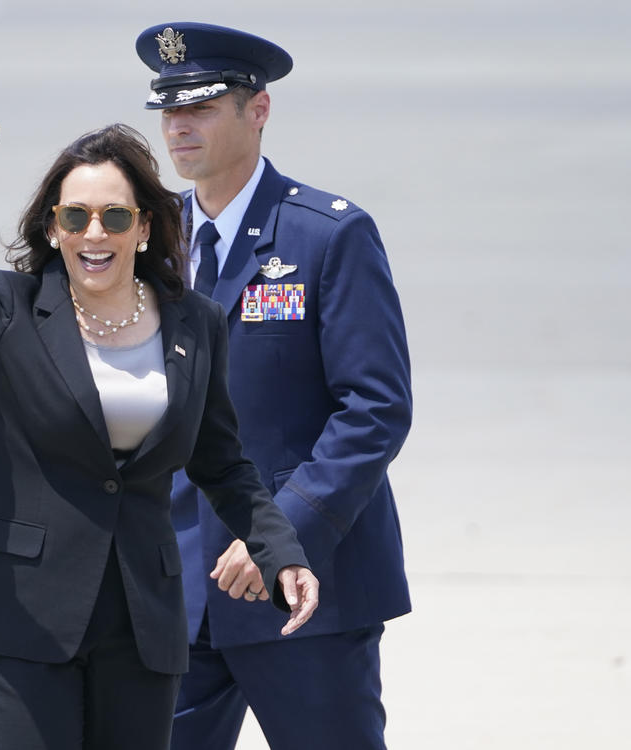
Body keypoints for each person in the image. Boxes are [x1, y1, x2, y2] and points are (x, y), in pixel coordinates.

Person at [0, 111, 319, 750]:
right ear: (53, 229)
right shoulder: (7, 308)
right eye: (75, 217)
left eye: (114, 216)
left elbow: (222, 464)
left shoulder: (195, 323)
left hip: (142, 617)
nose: (94, 233)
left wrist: (282, 551)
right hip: (18, 607)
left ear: (143, 227)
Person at [135, 23, 413, 750]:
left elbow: (375, 409)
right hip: (176, 589)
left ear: (257, 111)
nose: (178, 125)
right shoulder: (145, 240)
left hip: (305, 592)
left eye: (200, 106)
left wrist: (281, 535)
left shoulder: (326, 236)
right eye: (168, 108)